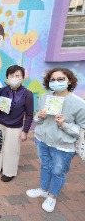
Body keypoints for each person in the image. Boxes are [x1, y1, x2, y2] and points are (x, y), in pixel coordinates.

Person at [26, 68, 85, 213]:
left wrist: (64, 124)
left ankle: (52, 196)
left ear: (69, 81)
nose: (56, 82)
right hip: (42, 140)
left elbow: (82, 130)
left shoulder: (78, 103)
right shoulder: (44, 98)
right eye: (53, 80)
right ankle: (43, 189)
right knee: (45, 166)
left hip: (63, 145)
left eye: (61, 79)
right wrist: (39, 116)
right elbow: (36, 120)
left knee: (58, 171)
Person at [0, 65, 34, 182]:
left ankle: (9, 172)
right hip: (1, 123)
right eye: (12, 75)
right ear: (7, 77)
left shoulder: (27, 94)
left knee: (11, 150)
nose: (14, 78)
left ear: (22, 78)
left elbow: (29, 114)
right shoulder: (3, 90)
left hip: (15, 126)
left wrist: (25, 131)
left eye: (17, 76)